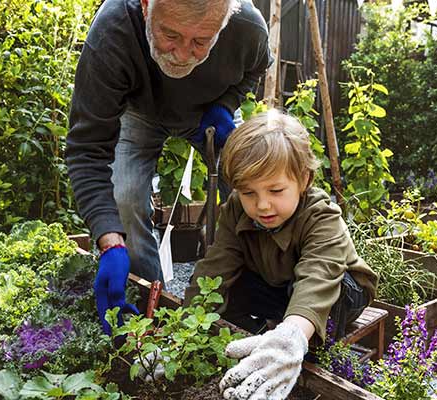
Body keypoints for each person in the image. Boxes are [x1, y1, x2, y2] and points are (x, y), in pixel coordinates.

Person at [65, 0, 272, 334]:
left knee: (254, 184)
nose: (182, 53)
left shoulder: (247, 26)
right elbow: (87, 147)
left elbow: (255, 68)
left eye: (201, 41)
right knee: (125, 200)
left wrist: (226, 105)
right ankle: (151, 309)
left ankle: (255, 296)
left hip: (209, 112)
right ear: (147, 6)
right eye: (170, 34)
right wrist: (108, 237)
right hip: (139, 112)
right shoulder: (113, 30)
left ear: (223, 24)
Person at [182, 110, 378, 400]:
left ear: (304, 179)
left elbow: (318, 275)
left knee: (320, 295)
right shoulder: (236, 209)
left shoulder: (322, 215)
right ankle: (261, 339)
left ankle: (296, 348)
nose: (262, 205)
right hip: (278, 284)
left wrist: (294, 334)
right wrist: (182, 331)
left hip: (338, 290)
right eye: (248, 193)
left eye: (275, 190)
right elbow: (215, 267)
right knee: (224, 289)